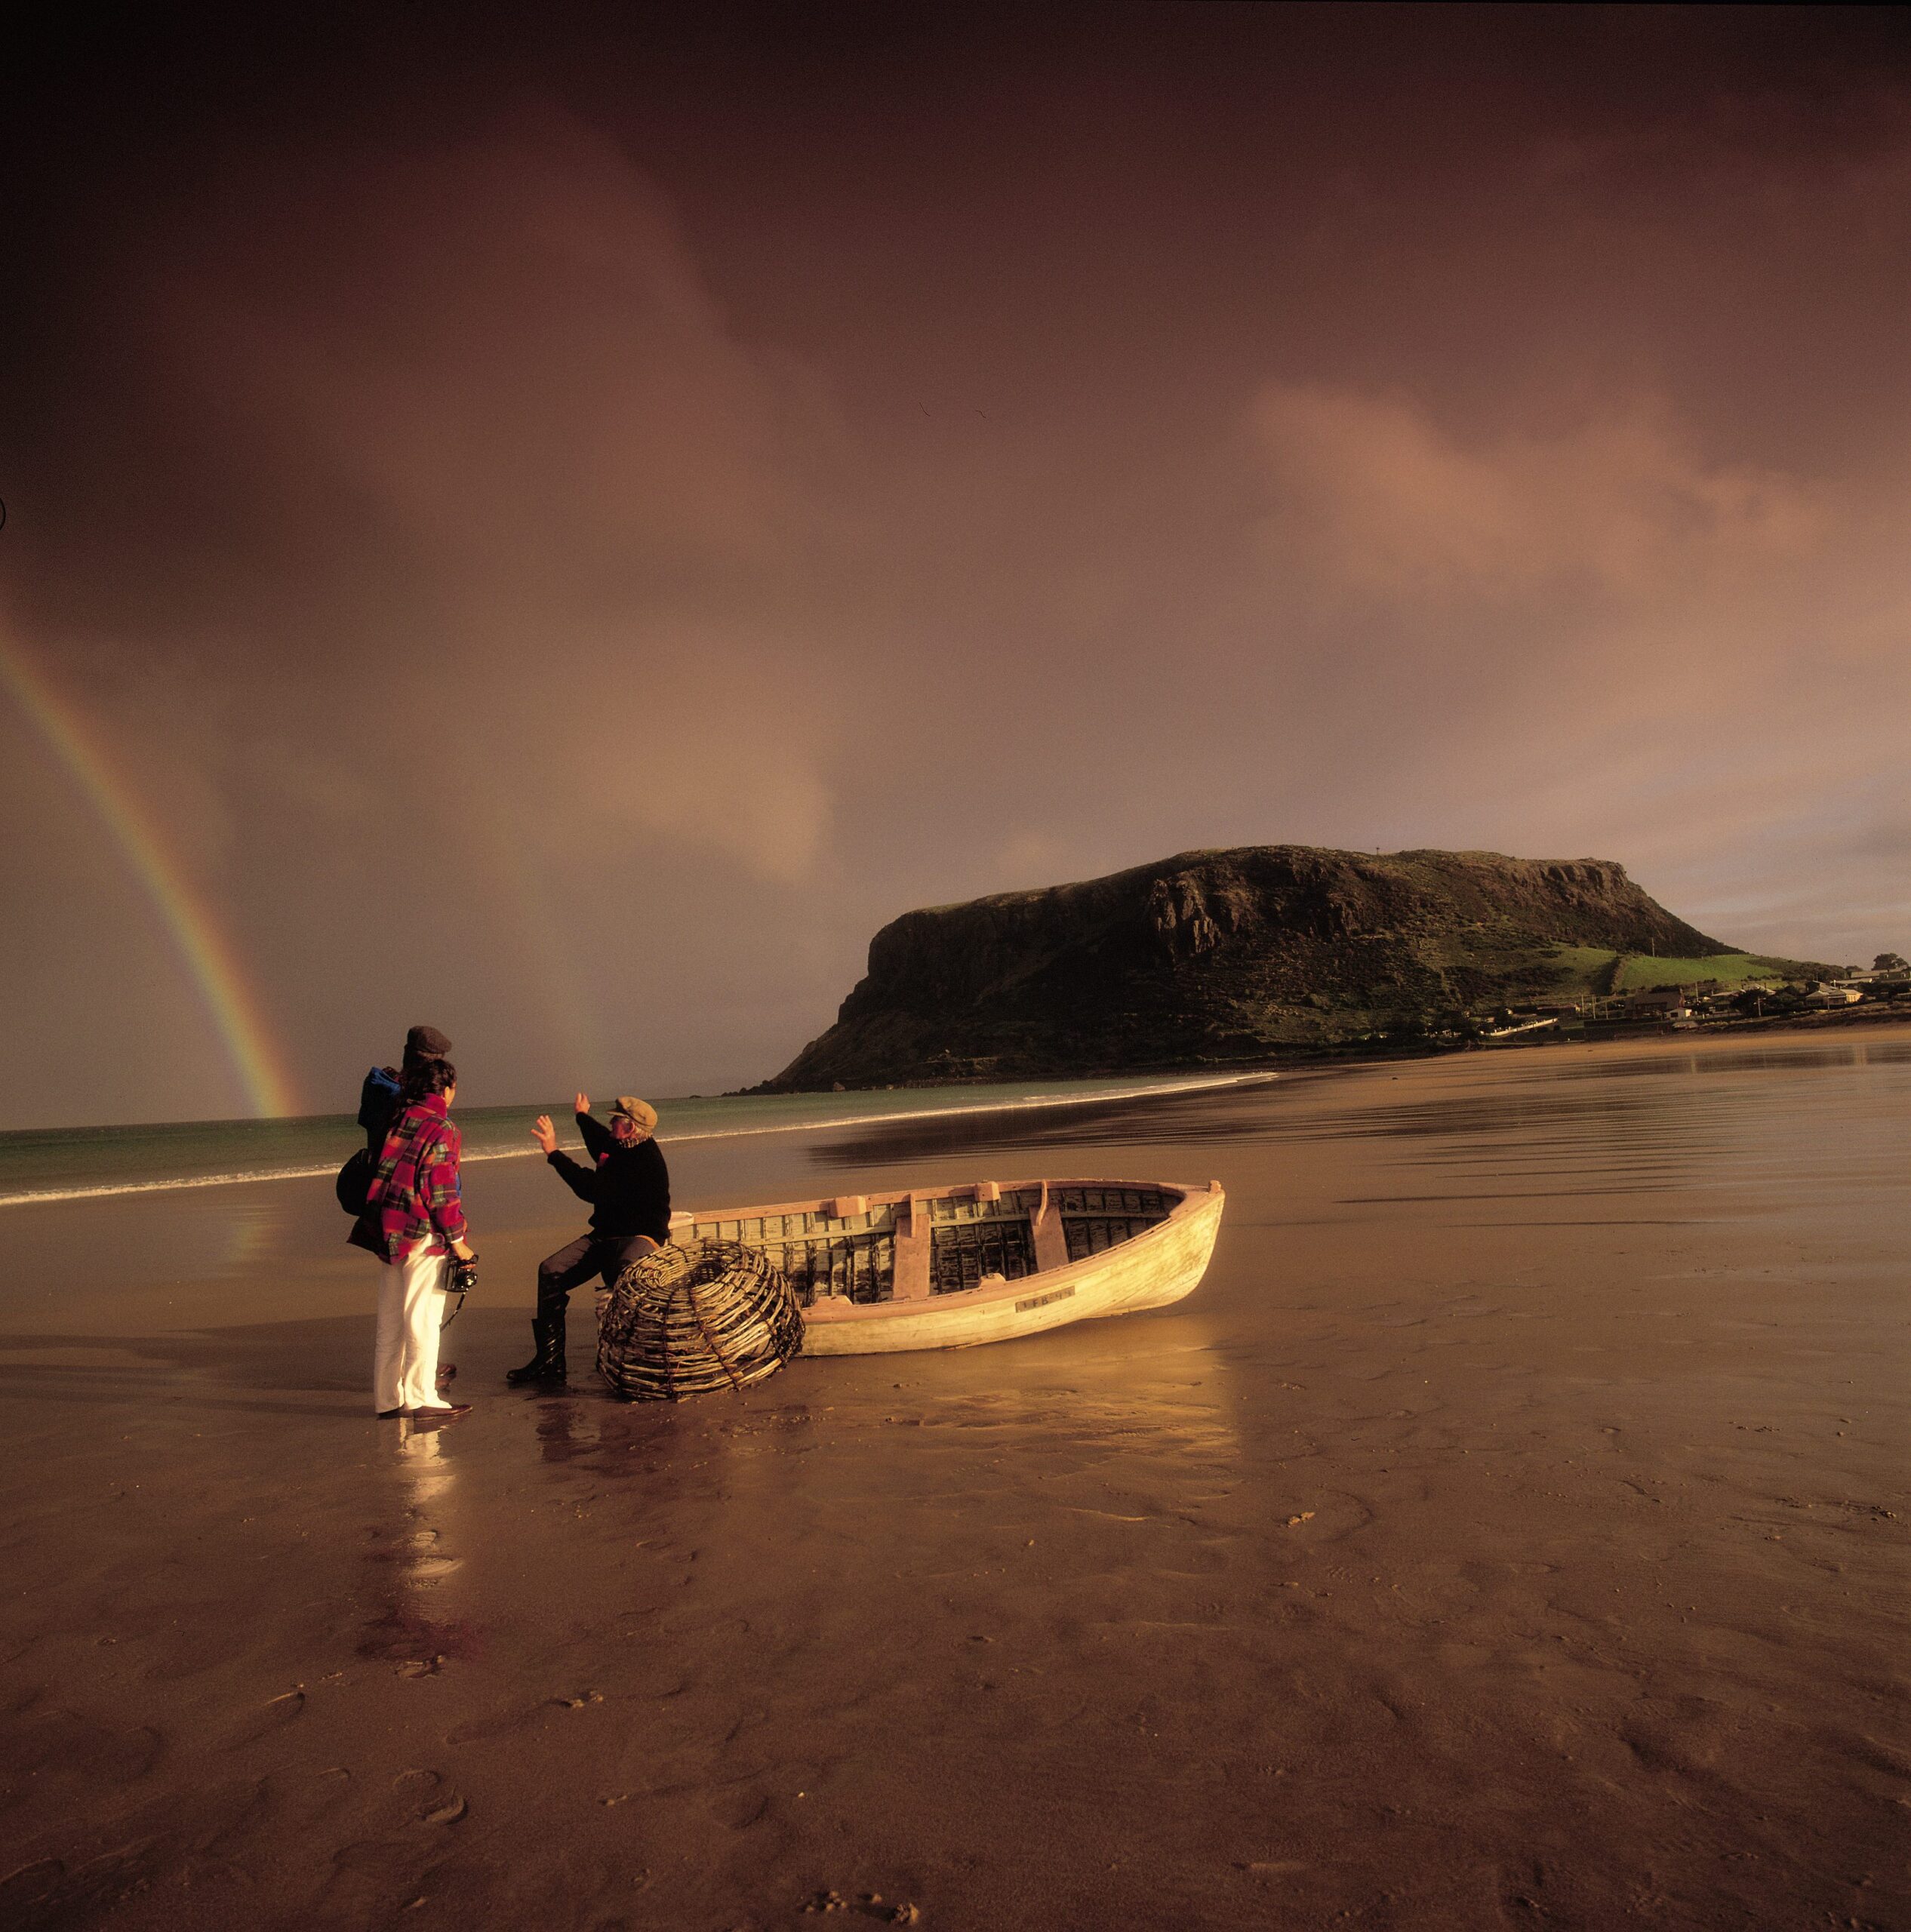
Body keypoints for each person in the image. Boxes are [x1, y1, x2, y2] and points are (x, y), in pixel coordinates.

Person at [509, 1093, 671, 1386]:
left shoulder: (644, 1160)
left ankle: (641, 1357)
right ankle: (550, 1362)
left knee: (627, 1270)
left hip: (642, 1235)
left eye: (615, 1120)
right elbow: (600, 1141)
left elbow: (592, 1189)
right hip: (604, 1236)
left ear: (630, 1127)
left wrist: (553, 1154)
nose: (610, 1123)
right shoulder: (620, 1142)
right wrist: (582, 1116)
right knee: (551, 1270)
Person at [364, 1057, 477, 1423]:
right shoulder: (442, 1127)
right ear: (447, 1089)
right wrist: (458, 1242)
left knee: (391, 1323)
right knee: (423, 1319)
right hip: (421, 1236)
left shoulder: (401, 1119)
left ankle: (387, 1400)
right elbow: (440, 1191)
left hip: (389, 1231)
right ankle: (421, 1398)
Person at [358, 1023, 454, 1161]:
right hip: (408, 1177)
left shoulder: (377, 1086)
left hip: (374, 1174)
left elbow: (369, 1123)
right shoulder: (421, 1102)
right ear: (436, 1067)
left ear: (406, 1052)